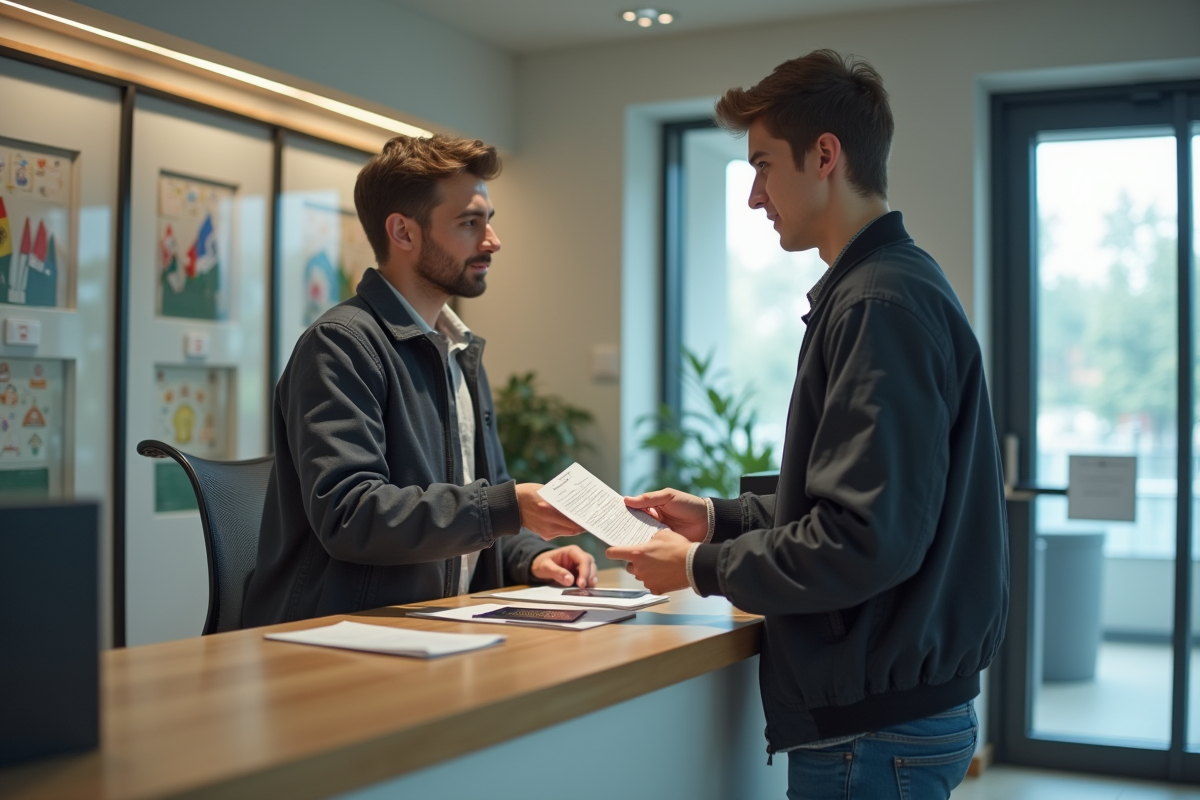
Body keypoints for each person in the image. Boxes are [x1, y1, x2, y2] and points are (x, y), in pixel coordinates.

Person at [608, 50, 1009, 800]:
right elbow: (865, 506)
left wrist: (699, 567)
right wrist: (718, 519)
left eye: (763, 166)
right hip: (890, 723)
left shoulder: (877, 304)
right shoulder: (886, 288)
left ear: (825, 156)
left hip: (874, 734)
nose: (754, 196)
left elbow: (862, 539)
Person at [244, 134, 594, 626]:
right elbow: (351, 515)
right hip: (349, 634)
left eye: (488, 221)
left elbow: (480, 510)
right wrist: (504, 507)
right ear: (403, 233)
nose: (492, 241)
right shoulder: (340, 345)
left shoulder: (459, 352)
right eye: (469, 223)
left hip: (445, 623)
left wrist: (532, 555)